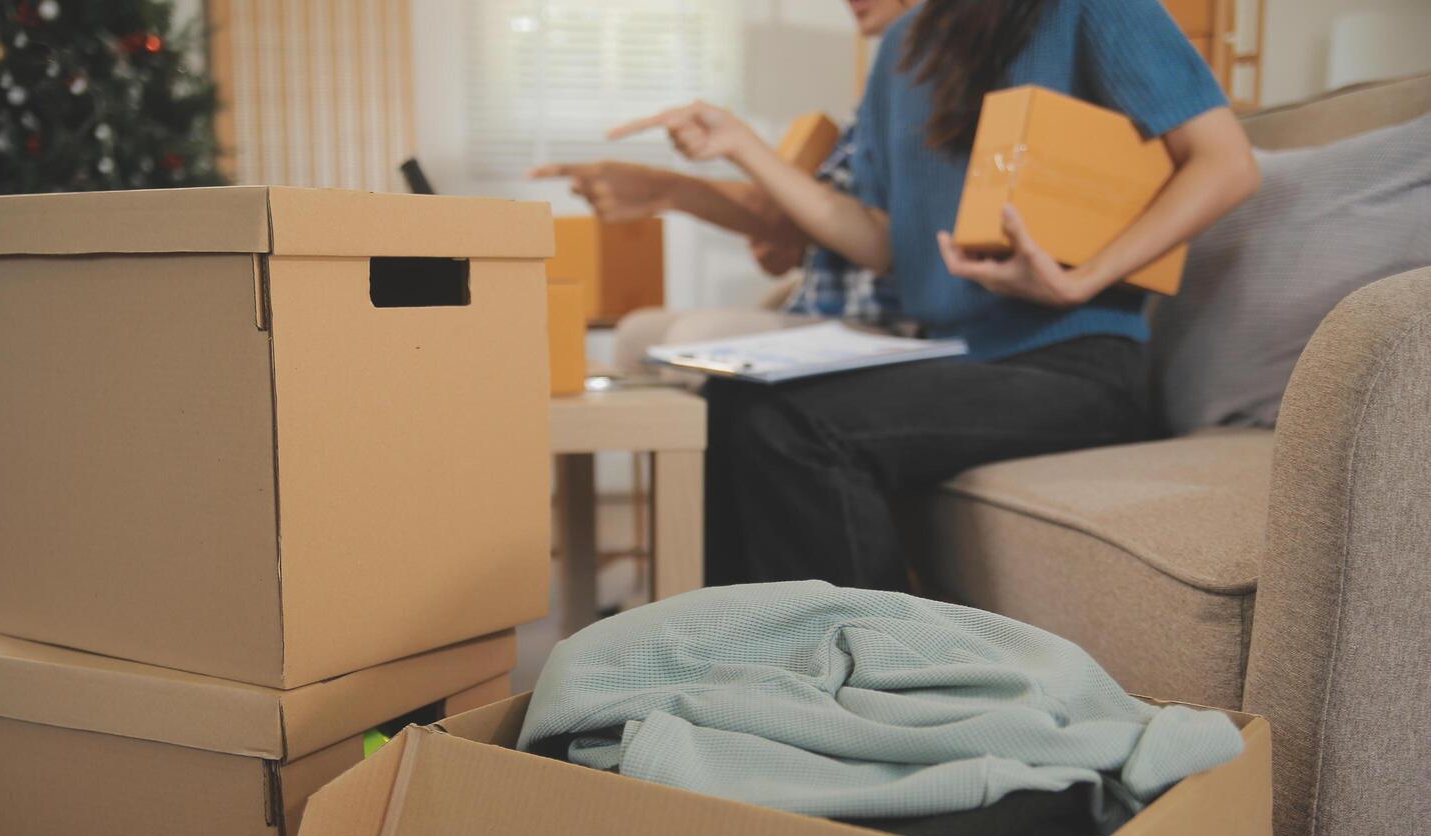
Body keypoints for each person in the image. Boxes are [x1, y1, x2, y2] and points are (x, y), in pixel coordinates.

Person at [610, 0, 1261, 589]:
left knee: (795, 428)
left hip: (1078, 369)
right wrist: (743, 147)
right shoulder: (901, 48)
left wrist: (1081, 278)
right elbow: (884, 242)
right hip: (951, 358)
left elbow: (1226, 163)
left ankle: (881, 681)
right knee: (729, 400)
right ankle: (743, 667)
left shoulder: (1090, 9)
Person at [532, 0, 915, 379]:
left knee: (694, 340)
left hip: (885, 319)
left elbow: (879, 239)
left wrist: (734, 147)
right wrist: (663, 188)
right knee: (638, 333)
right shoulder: (873, 101)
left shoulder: (926, 93)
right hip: (823, 306)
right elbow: (792, 231)